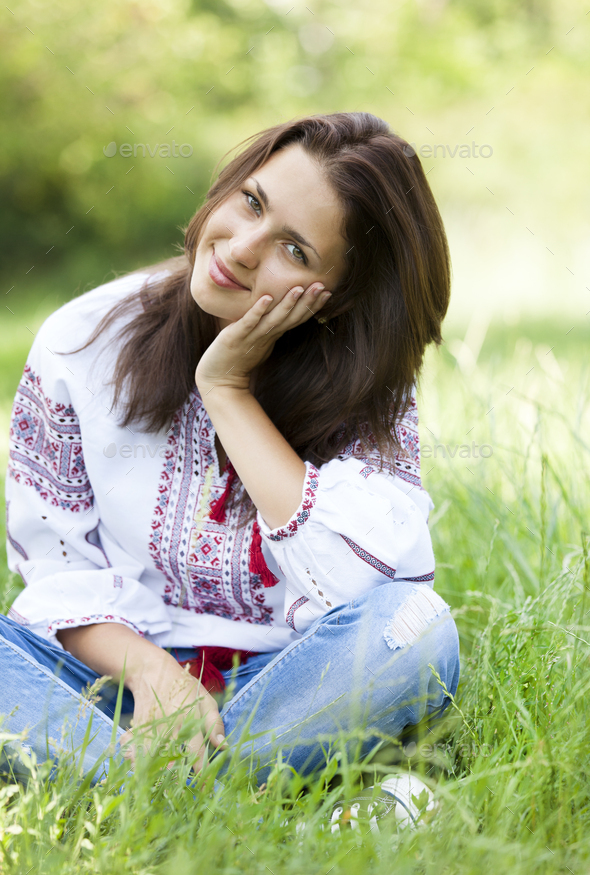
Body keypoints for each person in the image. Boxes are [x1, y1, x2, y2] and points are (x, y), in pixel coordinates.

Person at [1, 111, 460, 791]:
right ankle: (212, 787)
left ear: (334, 302)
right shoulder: (80, 342)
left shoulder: (369, 388)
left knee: (419, 631)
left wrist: (228, 392)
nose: (243, 247)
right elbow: (57, 570)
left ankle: (136, 788)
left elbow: (362, 587)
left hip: (291, 686)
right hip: (109, 686)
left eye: (294, 250)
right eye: (251, 202)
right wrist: (157, 675)